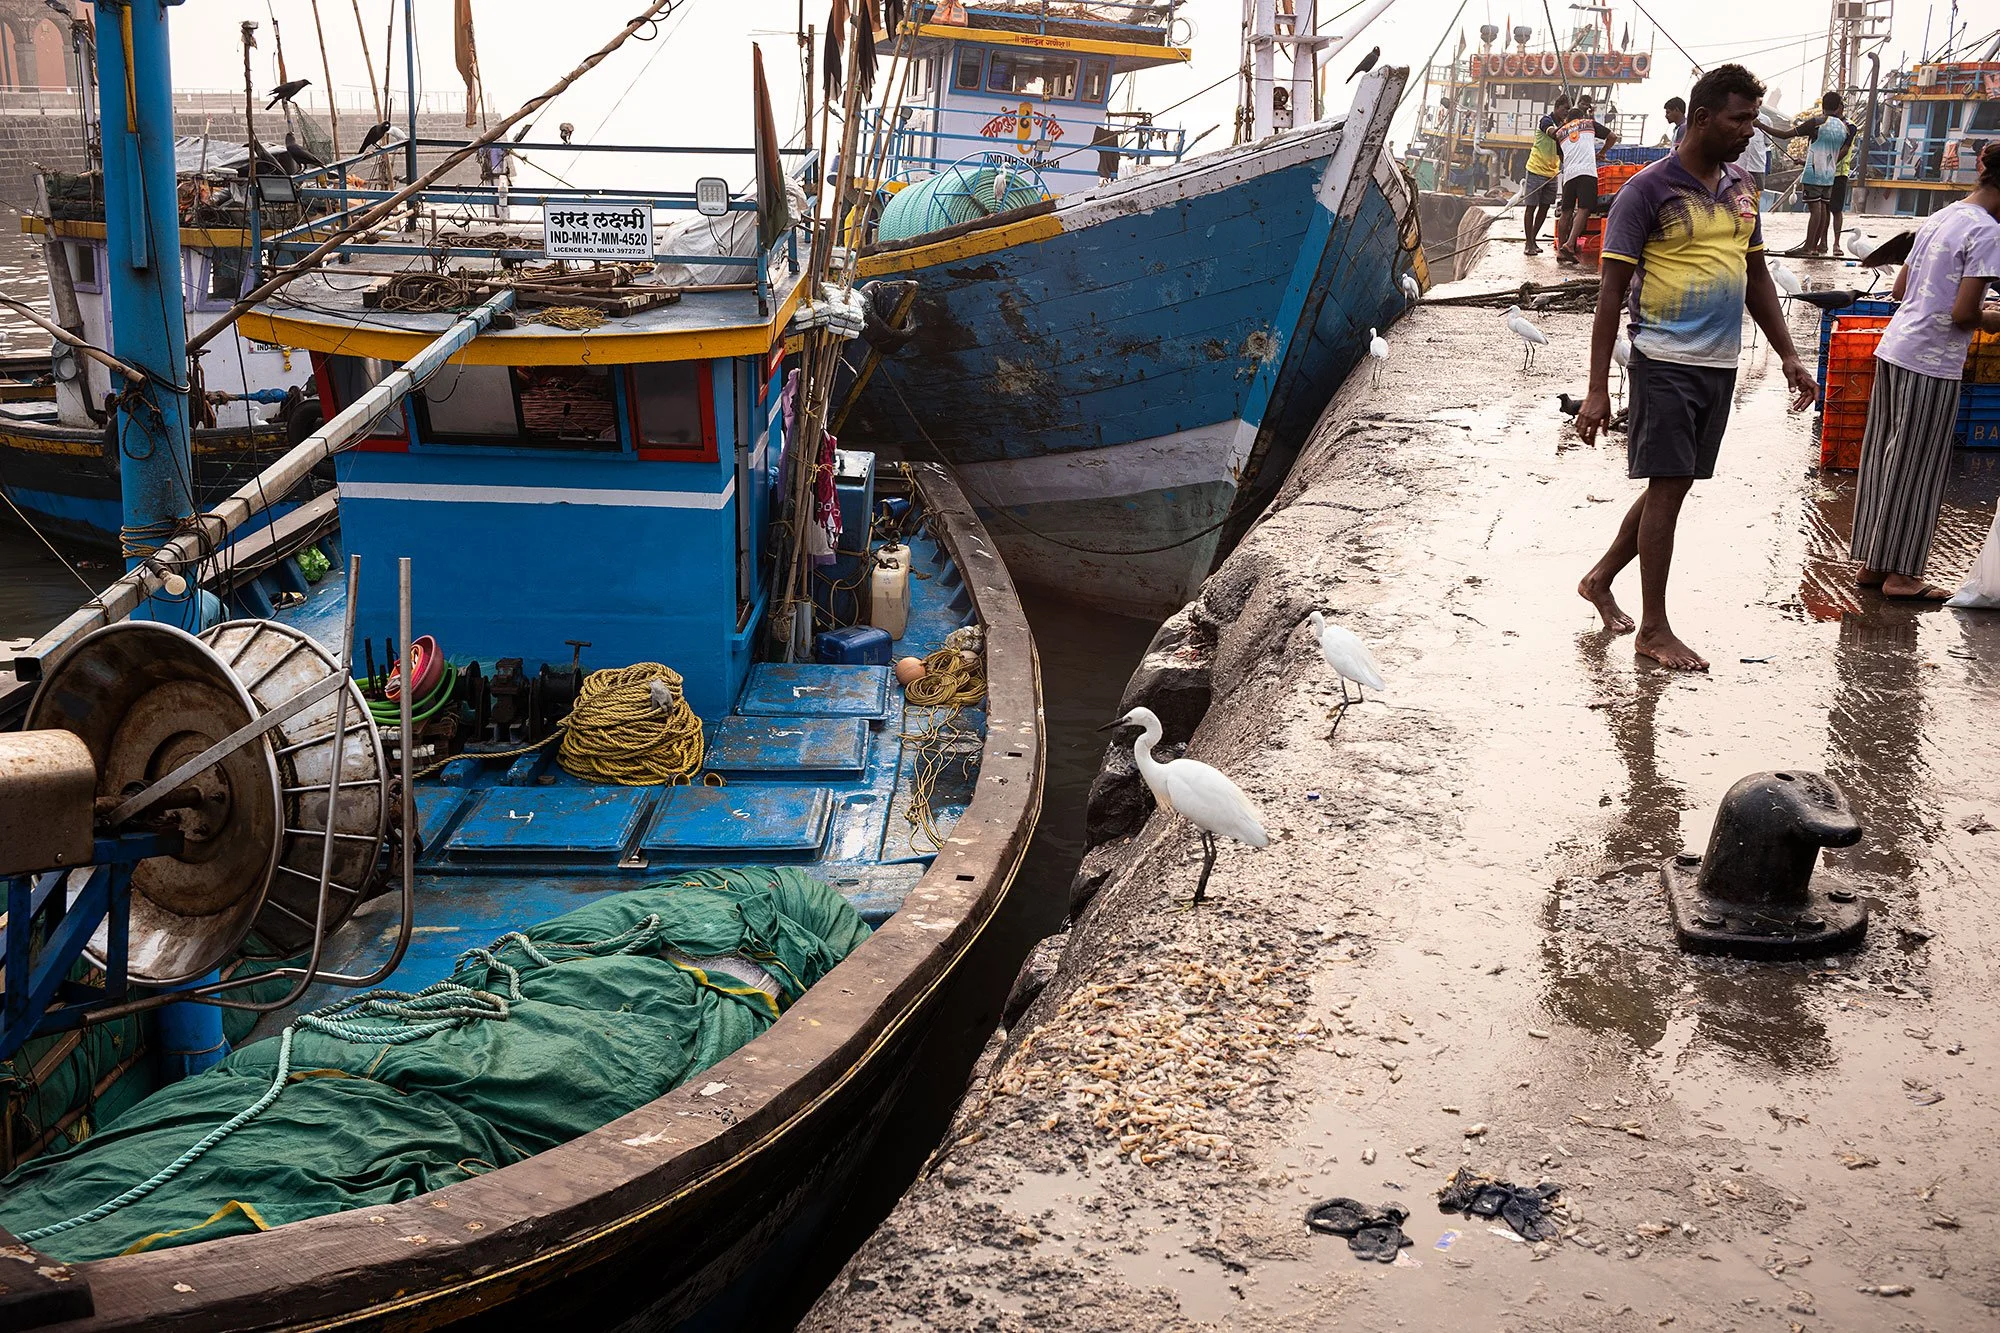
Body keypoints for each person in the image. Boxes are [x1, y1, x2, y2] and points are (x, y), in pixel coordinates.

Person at [1574, 64, 1818, 671]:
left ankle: (1600, 578)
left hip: (1720, 363)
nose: (1748, 131)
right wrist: (1597, 389)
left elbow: (1756, 273)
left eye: (1752, 120)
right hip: (1662, 359)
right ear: (1701, 118)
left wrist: (1788, 354)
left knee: (1673, 484)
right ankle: (1653, 629)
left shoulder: (1742, 186)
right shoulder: (1646, 191)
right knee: (1668, 487)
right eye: (1739, 119)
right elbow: (1610, 293)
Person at [1849, 143, 2000, 599]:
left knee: (1883, 459)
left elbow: (1899, 287)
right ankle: (1903, 576)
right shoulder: (1989, 233)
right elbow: (1962, 315)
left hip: (1896, 347)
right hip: (1932, 361)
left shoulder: (1944, 214)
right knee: (1919, 465)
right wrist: (1993, 316)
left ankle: (1875, 565)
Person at [1782, 92, 1853, 256]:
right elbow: (1839, 150)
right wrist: (1830, 162)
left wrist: (1759, 125)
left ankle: (1811, 246)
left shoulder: (1819, 123)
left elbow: (1785, 135)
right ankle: (1819, 245)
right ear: (1838, 107)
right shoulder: (1846, 127)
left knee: (1821, 209)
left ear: (1823, 106)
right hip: (1831, 173)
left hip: (1820, 172)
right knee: (1825, 208)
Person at [1555, 98, 1617, 265]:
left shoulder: (1560, 132)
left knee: (1566, 210)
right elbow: (1612, 137)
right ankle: (1569, 245)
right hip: (1587, 172)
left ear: (1568, 120)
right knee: (1584, 208)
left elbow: (1562, 157)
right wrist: (1602, 153)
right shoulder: (1589, 123)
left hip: (1569, 174)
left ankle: (1561, 249)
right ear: (1581, 117)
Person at [1522, 95, 1570, 256]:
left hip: (1551, 173)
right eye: (1565, 109)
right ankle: (1528, 243)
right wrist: (1569, 126)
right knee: (1531, 207)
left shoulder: (1564, 125)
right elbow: (1553, 134)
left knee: (1544, 208)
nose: (1566, 112)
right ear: (1557, 107)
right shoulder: (1546, 121)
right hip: (1536, 169)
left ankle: (1533, 240)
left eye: (1569, 110)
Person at [1831, 128, 1858, 253]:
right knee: (1824, 210)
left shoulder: (1849, 127)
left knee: (1836, 210)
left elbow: (1845, 149)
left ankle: (1836, 244)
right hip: (1824, 172)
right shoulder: (1826, 123)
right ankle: (1822, 242)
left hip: (1840, 173)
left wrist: (1828, 163)